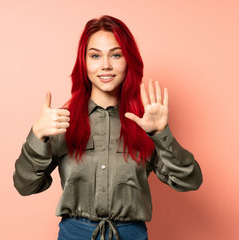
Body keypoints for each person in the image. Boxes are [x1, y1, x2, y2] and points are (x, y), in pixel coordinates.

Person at [13, 15, 203, 240]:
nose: (105, 65)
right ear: (84, 62)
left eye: (115, 54)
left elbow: (190, 181)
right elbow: (25, 186)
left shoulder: (145, 123)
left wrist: (161, 133)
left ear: (127, 60)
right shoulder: (62, 122)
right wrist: (38, 136)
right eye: (95, 55)